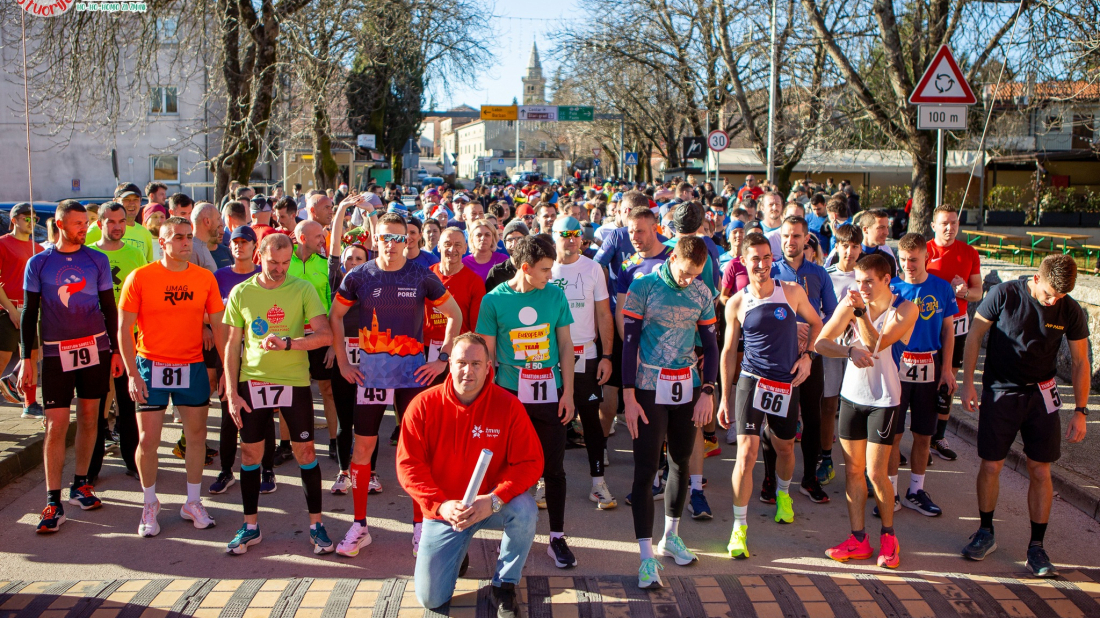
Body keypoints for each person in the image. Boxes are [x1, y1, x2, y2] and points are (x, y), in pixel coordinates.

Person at [329, 212, 463, 558]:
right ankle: (359, 525)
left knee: (417, 452)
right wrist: (344, 361)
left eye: (398, 238)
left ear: (410, 241)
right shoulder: (359, 275)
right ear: (376, 240)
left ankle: (420, 526)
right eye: (385, 237)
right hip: (371, 376)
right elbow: (335, 315)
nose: (391, 244)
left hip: (411, 378)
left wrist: (442, 359)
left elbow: (456, 315)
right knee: (362, 449)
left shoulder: (420, 275)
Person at [959, 255, 1089, 577]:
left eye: (1058, 297)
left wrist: (1081, 411)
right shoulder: (1003, 294)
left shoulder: (1069, 309)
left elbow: (1081, 361)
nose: (1052, 300)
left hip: (1042, 395)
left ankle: (1037, 548)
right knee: (991, 464)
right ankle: (986, 532)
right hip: (1001, 391)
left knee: (1041, 471)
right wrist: (968, 384)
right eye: (1048, 294)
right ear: (1036, 277)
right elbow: (975, 337)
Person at [397, 334, 543, 616]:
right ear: (449, 363)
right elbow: (408, 466)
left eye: (476, 363)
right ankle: (457, 552)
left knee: (525, 509)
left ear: (489, 366)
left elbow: (531, 462)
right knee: (430, 599)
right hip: (446, 510)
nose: (468, 370)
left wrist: (495, 499)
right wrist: (440, 505)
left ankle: (504, 586)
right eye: (462, 362)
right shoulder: (422, 406)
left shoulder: (508, 405)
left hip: (491, 503)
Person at [222, 233, 336, 555]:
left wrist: (290, 344)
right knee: (250, 456)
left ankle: (316, 526)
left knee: (306, 454)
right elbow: (232, 346)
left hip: (293, 381)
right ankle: (250, 527)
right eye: (274, 262)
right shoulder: (241, 292)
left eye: (286, 262)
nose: (281, 269)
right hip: (252, 381)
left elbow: (325, 335)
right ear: (259, 255)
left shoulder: (302, 288)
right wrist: (232, 392)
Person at [118, 217, 228, 537]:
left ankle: (192, 501)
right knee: (148, 440)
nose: (185, 242)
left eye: (189, 237)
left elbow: (219, 327)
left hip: (192, 366)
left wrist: (225, 369)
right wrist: (132, 374)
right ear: (162, 242)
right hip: (150, 365)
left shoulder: (205, 278)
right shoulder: (140, 277)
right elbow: (124, 329)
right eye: (178, 237)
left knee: (196, 438)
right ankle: (150, 503)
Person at [621, 237, 719, 588]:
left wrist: (708, 389)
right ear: (672, 257)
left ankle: (671, 536)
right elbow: (629, 342)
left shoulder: (702, 293)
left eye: (694, 275)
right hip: (648, 385)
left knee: (681, 460)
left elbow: (710, 344)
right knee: (647, 468)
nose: (687, 279)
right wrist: (628, 395)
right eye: (683, 272)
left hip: (687, 385)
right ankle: (646, 558)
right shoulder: (643, 286)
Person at [718, 232, 822, 559]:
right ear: (743, 262)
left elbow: (819, 324)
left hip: (784, 382)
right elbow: (727, 352)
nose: (762, 265)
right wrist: (724, 397)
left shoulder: (791, 292)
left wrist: (809, 357)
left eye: (766, 258)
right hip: (752, 380)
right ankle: (738, 527)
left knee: (785, 448)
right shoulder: (737, 302)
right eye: (755, 259)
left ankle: (783, 494)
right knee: (746, 454)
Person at [476, 234, 578, 568]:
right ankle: (511, 533)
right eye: (546, 269)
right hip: (508, 396)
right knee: (509, 470)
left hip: (550, 394)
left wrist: (569, 393)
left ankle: (557, 538)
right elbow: (487, 355)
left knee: (554, 469)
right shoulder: (493, 301)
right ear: (525, 268)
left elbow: (565, 346)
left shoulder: (555, 295)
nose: (551, 275)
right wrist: (488, 399)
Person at [22, 200, 123, 533]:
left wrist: (118, 352)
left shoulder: (98, 259)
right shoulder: (39, 263)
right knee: (56, 425)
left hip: (95, 349)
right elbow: (28, 314)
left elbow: (109, 307)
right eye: (79, 223)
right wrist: (26, 359)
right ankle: (53, 500)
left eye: (87, 223)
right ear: (60, 224)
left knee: (92, 416)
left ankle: (81, 484)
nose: (85, 228)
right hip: (54, 354)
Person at [813, 254, 917, 569]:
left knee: (875, 473)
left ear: (887, 279)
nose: (862, 287)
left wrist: (859, 313)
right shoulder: (852, 304)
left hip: (884, 400)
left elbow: (876, 345)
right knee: (854, 472)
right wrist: (847, 350)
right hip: (851, 397)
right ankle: (858, 539)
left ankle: (889, 538)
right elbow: (821, 342)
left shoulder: (905, 309)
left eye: (869, 281)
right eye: (858, 281)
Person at [761, 216, 838, 505]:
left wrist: (813, 335)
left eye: (795, 236)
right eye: (785, 236)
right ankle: (770, 478)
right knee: (776, 419)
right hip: (778, 359)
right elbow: (760, 312)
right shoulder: (771, 272)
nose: (790, 241)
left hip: (810, 357)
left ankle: (809, 478)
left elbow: (831, 314)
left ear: (806, 239)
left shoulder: (819, 273)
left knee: (813, 417)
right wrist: (792, 325)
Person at [887, 233, 957, 517]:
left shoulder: (941, 288)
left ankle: (915, 490)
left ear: (926, 256)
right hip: (897, 367)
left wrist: (947, 370)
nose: (908, 265)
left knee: (923, 435)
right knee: (892, 435)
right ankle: (889, 492)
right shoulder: (891, 287)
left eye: (913, 259)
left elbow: (949, 330)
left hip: (930, 364)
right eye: (903, 260)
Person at [550, 216, 615, 509]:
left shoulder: (593, 268)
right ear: (554, 236)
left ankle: (598, 483)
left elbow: (604, 314)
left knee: (590, 420)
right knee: (549, 420)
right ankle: (542, 482)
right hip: (550, 357)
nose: (572, 239)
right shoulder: (546, 267)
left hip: (586, 354)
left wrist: (607, 356)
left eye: (577, 234)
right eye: (565, 234)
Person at [85, 203, 147, 482]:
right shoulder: (88, 254)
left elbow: (144, 299)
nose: (117, 226)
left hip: (129, 339)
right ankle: (91, 466)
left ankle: (133, 461)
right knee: (95, 405)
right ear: (100, 224)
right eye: (110, 221)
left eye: (121, 220)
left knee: (129, 401)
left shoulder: (135, 255)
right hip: (94, 339)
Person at [209, 226, 272, 495]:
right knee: (228, 413)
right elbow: (207, 313)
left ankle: (267, 469)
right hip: (228, 353)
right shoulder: (218, 277)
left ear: (254, 247)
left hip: (261, 356)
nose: (239, 246)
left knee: (264, 414)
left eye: (245, 242)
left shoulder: (265, 275)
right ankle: (226, 471)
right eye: (234, 242)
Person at [927, 204, 983, 461]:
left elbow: (977, 292)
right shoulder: (924, 250)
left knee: (947, 382)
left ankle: (938, 437)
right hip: (928, 324)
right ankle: (920, 438)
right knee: (924, 382)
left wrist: (963, 293)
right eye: (944, 223)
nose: (950, 228)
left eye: (954, 223)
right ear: (933, 226)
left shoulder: (969, 252)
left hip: (958, 325)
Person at [287, 218, 340, 466]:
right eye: (318, 236)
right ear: (302, 238)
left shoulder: (325, 265)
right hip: (293, 337)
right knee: (292, 392)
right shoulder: (285, 264)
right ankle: (286, 444)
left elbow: (334, 309)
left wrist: (332, 343)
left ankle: (334, 440)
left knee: (327, 390)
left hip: (320, 337)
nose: (323, 240)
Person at [817, 224, 862, 485]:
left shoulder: (866, 275)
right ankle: (826, 458)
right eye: (845, 245)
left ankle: (859, 465)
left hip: (858, 348)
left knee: (856, 405)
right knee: (829, 403)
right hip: (832, 347)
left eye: (855, 246)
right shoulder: (826, 275)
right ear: (837, 246)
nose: (849, 251)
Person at [0, 202, 44, 419]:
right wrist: (11, 309)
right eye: (27, 217)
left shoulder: (39, 249)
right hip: (7, 308)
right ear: (14, 220)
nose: (31, 222)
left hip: (33, 310)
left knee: (33, 356)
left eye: (34, 218)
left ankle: (30, 402)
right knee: (2, 357)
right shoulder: (3, 244)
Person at [85, 183, 156, 262]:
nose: (132, 203)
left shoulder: (145, 233)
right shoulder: (99, 227)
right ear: (115, 201)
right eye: (126, 199)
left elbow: (147, 265)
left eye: (135, 199)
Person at [486, 221, 528, 292]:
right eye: (510, 240)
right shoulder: (496, 272)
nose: (514, 244)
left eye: (519, 239)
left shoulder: (535, 269)